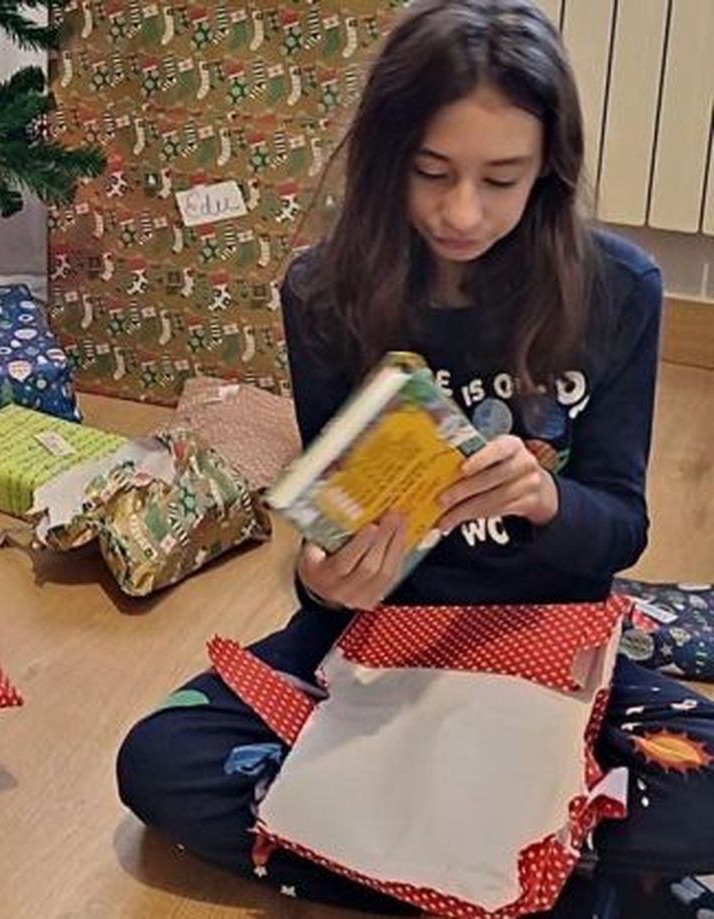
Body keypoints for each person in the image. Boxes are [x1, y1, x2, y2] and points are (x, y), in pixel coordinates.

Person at [116, 2, 714, 914]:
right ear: (386, 155)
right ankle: (512, 869)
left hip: (548, 644)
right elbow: (331, 542)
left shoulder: (617, 289)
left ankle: (403, 847)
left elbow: (621, 527)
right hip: (380, 645)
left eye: (502, 179)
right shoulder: (326, 291)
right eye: (430, 172)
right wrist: (323, 580)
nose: (461, 211)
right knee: (161, 762)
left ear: (548, 170)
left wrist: (547, 501)